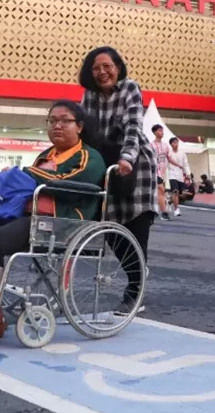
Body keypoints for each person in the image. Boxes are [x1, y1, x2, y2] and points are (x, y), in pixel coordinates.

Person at [0, 100, 106, 344]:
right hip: (25, 213)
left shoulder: (90, 157)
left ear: (80, 126)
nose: (57, 126)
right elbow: (33, 183)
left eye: (65, 121)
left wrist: (26, 174)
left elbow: (67, 185)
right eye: (52, 121)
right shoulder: (46, 155)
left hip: (59, 220)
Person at [79, 46, 157, 314]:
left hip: (136, 163)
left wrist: (127, 157)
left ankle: (134, 293)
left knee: (136, 229)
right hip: (106, 163)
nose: (102, 72)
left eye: (107, 66)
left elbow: (134, 126)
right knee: (110, 227)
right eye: (96, 68)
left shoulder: (130, 88)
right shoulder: (89, 96)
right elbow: (83, 132)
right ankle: (137, 270)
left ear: (118, 67)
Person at [150, 125, 171, 220]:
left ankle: (153, 211)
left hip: (162, 172)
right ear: (154, 132)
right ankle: (164, 213)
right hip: (154, 171)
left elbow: (169, 158)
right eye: (159, 131)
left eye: (162, 131)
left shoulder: (166, 146)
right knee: (162, 190)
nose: (161, 132)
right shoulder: (151, 145)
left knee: (156, 192)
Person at [166, 137, 191, 217]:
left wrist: (188, 173)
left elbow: (185, 164)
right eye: (174, 143)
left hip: (180, 175)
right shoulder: (168, 152)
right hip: (172, 174)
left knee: (182, 194)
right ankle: (176, 209)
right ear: (171, 144)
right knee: (175, 192)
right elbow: (167, 161)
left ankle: (170, 202)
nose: (176, 144)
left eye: (177, 142)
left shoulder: (182, 153)